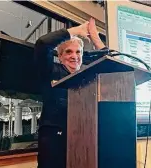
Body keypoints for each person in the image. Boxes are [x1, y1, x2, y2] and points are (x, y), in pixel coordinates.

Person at [34, 18, 106, 168]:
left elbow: (110, 62)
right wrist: (75, 31)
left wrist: (95, 37)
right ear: (60, 57)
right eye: (68, 52)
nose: (74, 56)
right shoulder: (50, 71)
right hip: (54, 141)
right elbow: (42, 44)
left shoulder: (87, 74)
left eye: (78, 52)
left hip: (83, 137)